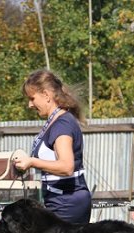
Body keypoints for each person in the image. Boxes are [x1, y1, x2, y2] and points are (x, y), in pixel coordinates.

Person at [13, 69, 91, 224]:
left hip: (67, 204)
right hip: (57, 200)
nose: (30, 104)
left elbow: (66, 166)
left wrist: (32, 162)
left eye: (32, 98)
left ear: (46, 95)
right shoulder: (54, 122)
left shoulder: (62, 124)